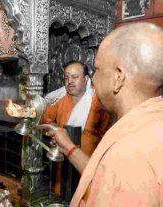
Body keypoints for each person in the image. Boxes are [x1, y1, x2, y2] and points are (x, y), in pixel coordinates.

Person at [46, 22, 163, 206]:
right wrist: (68, 146)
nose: (94, 78)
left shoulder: (130, 153)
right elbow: (102, 175)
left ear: (118, 77)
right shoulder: (149, 123)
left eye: (98, 69)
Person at [6, 61, 111, 194]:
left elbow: (106, 136)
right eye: (66, 77)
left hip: (87, 163)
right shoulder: (61, 98)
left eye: (74, 77)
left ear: (85, 79)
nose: (69, 81)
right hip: (63, 162)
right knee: (62, 196)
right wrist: (54, 129)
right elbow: (44, 115)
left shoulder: (97, 101)